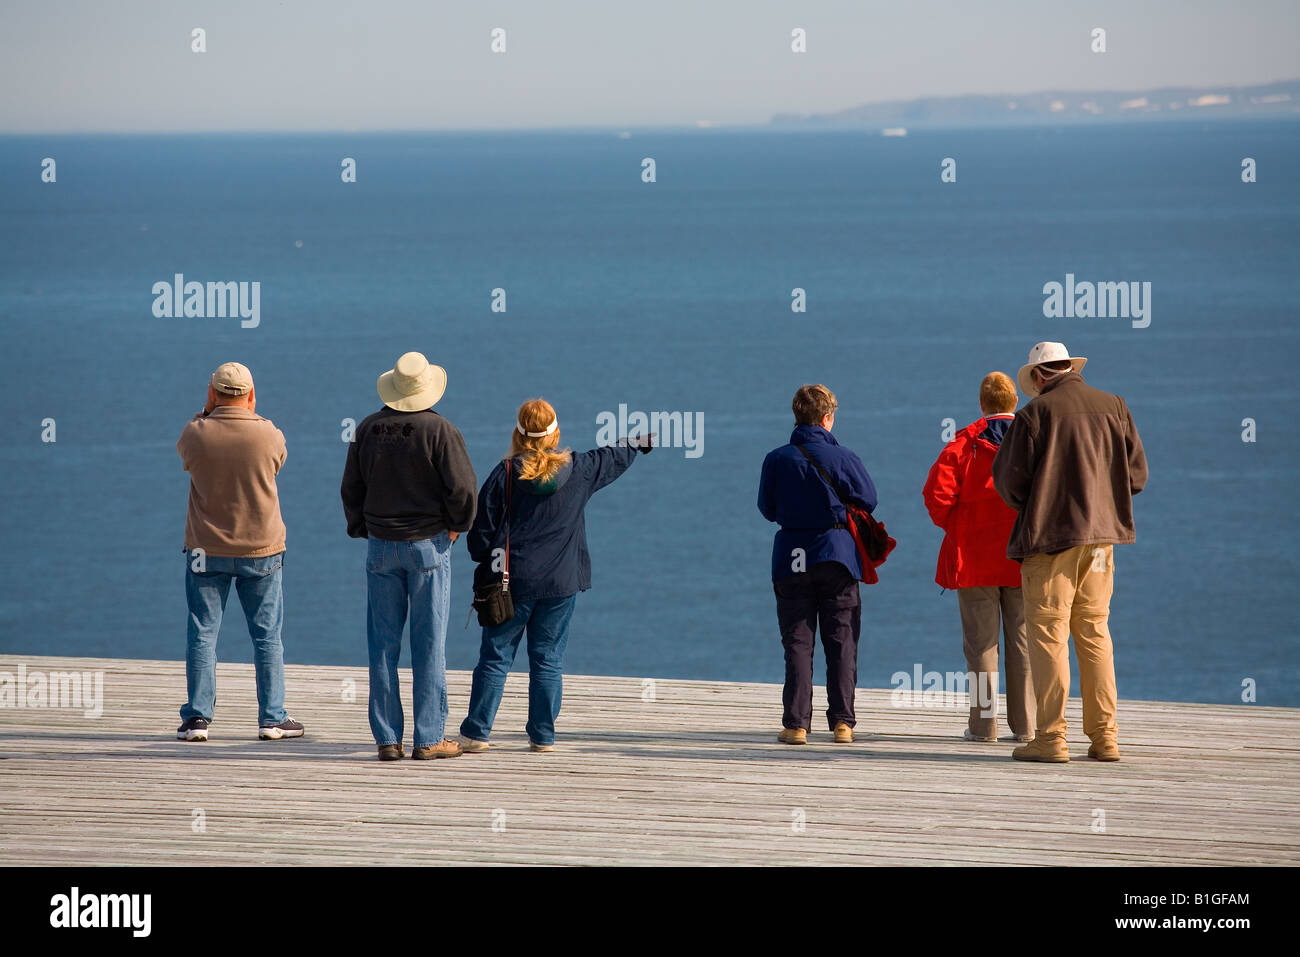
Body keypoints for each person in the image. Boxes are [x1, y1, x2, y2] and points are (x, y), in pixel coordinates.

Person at [458, 398, 651, 753]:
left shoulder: (504, 474)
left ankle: (476, 733)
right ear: (555, 432)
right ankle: (542, 736)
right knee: (548, 658)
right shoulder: (580, 469)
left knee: (496, 657)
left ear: (518, 433)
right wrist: (636, 442)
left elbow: (481, 534)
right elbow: (614, 456)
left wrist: (481, 559)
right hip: (561, 584)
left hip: (510, 582)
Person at [992, 342, 1147, 763]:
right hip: (1102, 540)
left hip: (1050, 540)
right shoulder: (1114, 406)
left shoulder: (1034, 415)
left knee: (1048, 636)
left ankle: (1051, 737)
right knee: (1095, 633)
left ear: (1039, 376)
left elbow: (1010, 486)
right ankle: (1104, 737)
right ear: (1068, 369)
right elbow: (1137, 477)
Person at [341, 351, 477, 761]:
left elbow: (351, 489)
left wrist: (363, 528)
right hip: (428, 546)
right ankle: (429, 737)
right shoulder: (441, 431)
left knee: (382, 644)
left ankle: (387, 738)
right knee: (429, 642)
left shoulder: (367, 429)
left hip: (380, 546)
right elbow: (465, 491)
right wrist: (456, 526)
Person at [176, 362, 303, 742]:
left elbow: (187, 460)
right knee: (267, 636)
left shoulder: (195, 432)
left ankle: (197, 719)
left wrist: (207, 411)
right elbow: (276, 464)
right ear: (250, 396)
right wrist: (250, 413)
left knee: (203, 633)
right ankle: (272, 718)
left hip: (206, 549)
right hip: (260, 548)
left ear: (212, 392)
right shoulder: (268, 434)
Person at [758, 384, 877, 745]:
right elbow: (869, 499)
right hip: (836, 554)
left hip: (792, 555)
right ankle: (843, 723)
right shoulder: (843, 457)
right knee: (841, 639)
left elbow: (768, 510)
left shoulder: (776, 459)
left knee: (798, 640)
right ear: (827, 418)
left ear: (797, 416)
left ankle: (796, 724)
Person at [923, 372, 1034, 744]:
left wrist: (960, 528)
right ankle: (1027, 726)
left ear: (983, 404)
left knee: (981, 647)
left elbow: (936, 496)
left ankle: (984, 727)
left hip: (973, 559)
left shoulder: (964, 442)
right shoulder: (1036, 439)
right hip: (1024, 556)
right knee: (1023, 643)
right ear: (1014, 402)